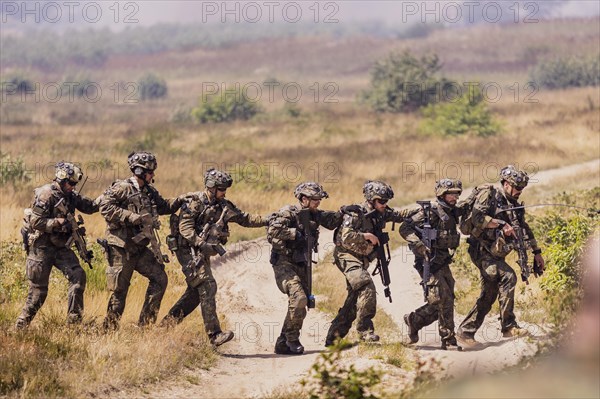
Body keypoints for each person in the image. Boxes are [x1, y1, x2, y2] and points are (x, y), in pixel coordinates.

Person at [161, 168, 266, 347]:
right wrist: (201, 243)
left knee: (195, 293)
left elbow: (245, 219)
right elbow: (185, 229)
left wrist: (268, 219)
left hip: (202, 251)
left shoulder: (223, 206)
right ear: (210, 187)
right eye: (221, 189)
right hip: (187, 251)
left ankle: (165, 326)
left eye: (225, 189)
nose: (224, 192)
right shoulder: (194, 203)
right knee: (208, 285)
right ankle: (214, 334)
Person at [457, 165, 545, 345]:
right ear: (505, 184)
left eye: (522, 188)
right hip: (481, 250)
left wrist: (536, 252)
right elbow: (476, 218)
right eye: (517, 187)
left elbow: (524, 229)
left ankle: (465, 332)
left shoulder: (514, 205)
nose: (520, 191)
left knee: (489, 294)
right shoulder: (489, 195)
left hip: (496, 253)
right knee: (508, 276)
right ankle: (509, 326)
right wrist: (500, 224)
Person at [99, 151, 184, 330]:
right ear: (139, 171)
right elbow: (105, 207)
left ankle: (145, 327)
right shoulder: (122, 187)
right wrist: (131, 217)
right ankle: (108, 331)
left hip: (139, 248)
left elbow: (164, 206)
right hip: (121, 247)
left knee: (160, 278)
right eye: (150, 171)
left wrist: (182, 200)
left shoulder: (149, 191)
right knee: (120, 291)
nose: (153, 175)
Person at [325, 180, 411, 346]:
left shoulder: (381, 212)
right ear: (371, 200)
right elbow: (346, 237)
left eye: (386, 202)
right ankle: (365, 332)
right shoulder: (355, 213)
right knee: (366, 286)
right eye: (382, 201)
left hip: (362, 260)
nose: (385, 205)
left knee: (355, 297)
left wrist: (420, 211)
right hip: (346, 256)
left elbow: (400, 215)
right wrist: (366, 236)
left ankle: (334, 336)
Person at [15, 161, 98, 329]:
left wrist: (107, 197)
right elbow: (35, 221)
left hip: (61, 248)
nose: (73, 187)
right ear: (61, 179)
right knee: (38, 294)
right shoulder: (46, 194)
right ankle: (19, 328)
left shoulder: (71, 196)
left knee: (78, 276)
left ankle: (73, 325)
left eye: (75, 184)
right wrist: (57, 223)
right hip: (41, 247)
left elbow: (90, 207)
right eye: (71, 183)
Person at [267, 182, 342, 354]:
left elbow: (332, 220)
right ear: (304, 199)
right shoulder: (288, 212)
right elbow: (272, 231)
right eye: (315, 199)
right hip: (284, 263)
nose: (318, 202)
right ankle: (292, 339)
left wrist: (346, 212)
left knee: (302, 302)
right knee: (299, 297)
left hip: (302, 263)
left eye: (319, 199)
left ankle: (283, 341)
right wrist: (294, 234)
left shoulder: (315, 214)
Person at [400, 178, 464, 350]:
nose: (455, 197)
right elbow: (405, 228)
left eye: (457, 194)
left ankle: (414, 320)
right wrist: (419, 244)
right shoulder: (430, 212)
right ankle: (449, 340)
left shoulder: (452, 212)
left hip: (443, 261)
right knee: (442, 298)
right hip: (428, 261)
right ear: (442, 194)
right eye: (451, 194)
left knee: (443, 300)